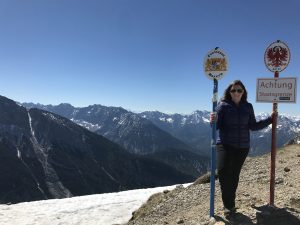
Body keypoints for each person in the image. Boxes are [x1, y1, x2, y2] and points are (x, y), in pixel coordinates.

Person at [210, 80, 275, 217]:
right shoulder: (222, 106)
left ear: (243, 92)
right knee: (223, 173)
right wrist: (213, 121)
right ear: (229, 92)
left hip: (242, 147)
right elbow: (216, 127)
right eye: (233, 90)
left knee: (234, 176)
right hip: (225, 144)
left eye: (239, 90)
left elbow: (252, 126)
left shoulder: (248, 106)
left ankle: (230, 206)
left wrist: (270, 120)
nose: (236, 93)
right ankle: (228, 205)